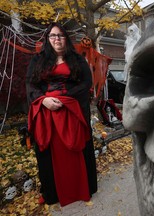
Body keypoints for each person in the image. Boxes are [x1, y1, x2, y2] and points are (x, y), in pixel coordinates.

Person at [26, 22, 97, 207]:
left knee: (76, 148)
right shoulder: (38, 60)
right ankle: (51, 192)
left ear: (66, 38)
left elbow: (86, 83)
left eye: (60, 35)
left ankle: (81, 188)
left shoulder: (77, 59)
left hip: (72, 110)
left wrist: (64, 98)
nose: (57, 39)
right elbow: (30, 84)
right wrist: (43, 100)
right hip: (46, 112)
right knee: (49, 151)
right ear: (47, 39)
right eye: (53, 36)